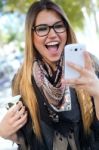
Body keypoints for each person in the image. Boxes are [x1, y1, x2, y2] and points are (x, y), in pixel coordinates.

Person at [8, 0, 99, 149]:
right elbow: (26, 141)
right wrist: (7, 133)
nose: (52, 34)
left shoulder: (90, 65)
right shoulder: (21, 80)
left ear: (67, 29)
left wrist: (98, 92)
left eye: (58, 26)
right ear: (31, 35)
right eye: (42, 28)